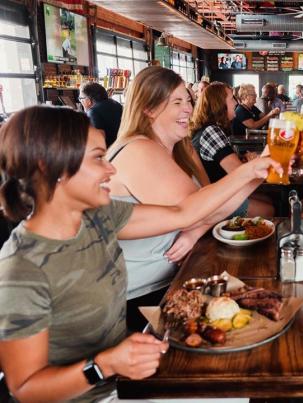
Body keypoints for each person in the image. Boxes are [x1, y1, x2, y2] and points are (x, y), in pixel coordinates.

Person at [0, 106, 280, 402]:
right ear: (48, 167)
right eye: (98, 158)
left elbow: (183, 213)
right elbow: (26, 388)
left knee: (237, 384)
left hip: (129, 375)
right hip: (95, 393)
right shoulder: (22, 269)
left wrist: (251, 170)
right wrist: (105, 365)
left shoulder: (97, 216)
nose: (111, 168)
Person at [106, 67, 254, 329]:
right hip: (137, 298)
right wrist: (253, 170)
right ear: (149, 109)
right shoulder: (139, 149)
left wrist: (259, 172)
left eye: (188, 100)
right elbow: (200, 212)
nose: (188, 108)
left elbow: (208, 205)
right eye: (177, 102)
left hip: (176, 277)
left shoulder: (179, 147)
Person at [190, 81, 274, 217]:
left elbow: (219, 164)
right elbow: (239, 174)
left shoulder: (211, 127)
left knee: (269, 199)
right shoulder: (211, 130)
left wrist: (244, 160)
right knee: (269, 210)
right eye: (231, 99)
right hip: (215, 200)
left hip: (219, 193)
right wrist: (266, 156)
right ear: (220, 104)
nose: (236, 103)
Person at [79, 82, 123, 148]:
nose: (81, 102)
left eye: (81, 99)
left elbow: (95, 142)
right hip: (122, 149)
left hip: (107, 153)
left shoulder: (93, 112)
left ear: (88, 101)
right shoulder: (117, 104)